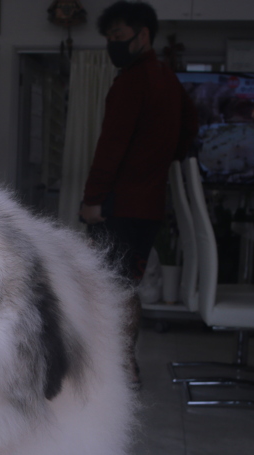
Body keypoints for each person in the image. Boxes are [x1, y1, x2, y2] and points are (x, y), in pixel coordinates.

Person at [78, 0, 194, 388]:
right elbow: (188, 138)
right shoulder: (170, 80)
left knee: (110, 286)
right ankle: (123, 365)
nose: (113, 44)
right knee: (126, 281)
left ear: (142, 36)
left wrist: (93, 198)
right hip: (148, 206)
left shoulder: (131, 81)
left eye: (118, 36)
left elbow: (111, 145)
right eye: (109, 37)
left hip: (119, 206)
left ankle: (120, 368)